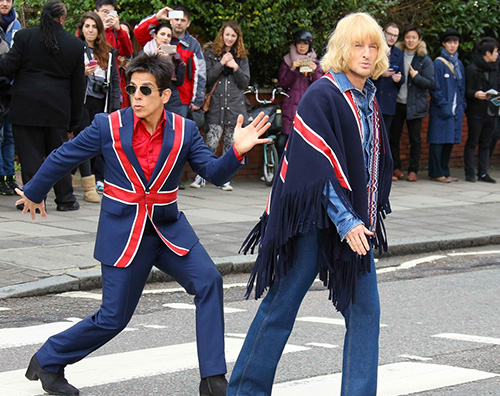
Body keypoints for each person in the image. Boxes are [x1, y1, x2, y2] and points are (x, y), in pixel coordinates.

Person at [16, 53, 270, 396]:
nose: (136, 95)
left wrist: (236, 152)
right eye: (132, 88)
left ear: (165, 95)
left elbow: (213, 173)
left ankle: (212, 379)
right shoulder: (108, 126)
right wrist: (34, 191)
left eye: (145, 90)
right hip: (124, 234)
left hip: (169, 232)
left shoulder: (185, 130)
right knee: (113, 318)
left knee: (208, 281)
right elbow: (66, 155)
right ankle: (48, 360)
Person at [227, 12, 393, 396]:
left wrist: (360, 216)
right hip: (311, 221)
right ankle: (244, 392)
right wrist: (347, 220)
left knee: (366, 314)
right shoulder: (323, 93)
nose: (366, 54)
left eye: (373, 46)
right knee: (281, 307)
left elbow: (368, 163)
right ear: (341, 48)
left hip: (353, 223)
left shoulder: (369, 97)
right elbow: (314, 167)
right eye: (357, 45)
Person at [0, 0, 85, 211]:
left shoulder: (25, 37)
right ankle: (65, 199)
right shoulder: (74, 45)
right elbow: (78, 86)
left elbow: (8, 66)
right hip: (58, 108)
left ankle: (34, 199)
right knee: (60, 155)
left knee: (30, 157)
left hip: (26, 106)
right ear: (62, 18)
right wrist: (74, 120)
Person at [191, 21, 250, 191]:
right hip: (216, 104)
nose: (229, 38)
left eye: (233, 35)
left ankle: (226, 179)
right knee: (211, 141)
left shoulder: (242, 56)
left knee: (230, 143)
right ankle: (201, 176)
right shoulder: (211, 53)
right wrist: (221, 63)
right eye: (227, 34)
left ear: (237, 38)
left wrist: (236, 67)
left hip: (234, 105)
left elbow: (245, 81)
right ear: (221, 35)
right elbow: (207, 78)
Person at [76, 12, 120, 201]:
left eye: (94, 27)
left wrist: (115, 106)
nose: (91, 30)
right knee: (84, 140)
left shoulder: (108, 52)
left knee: (101, 141)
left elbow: (115, 81)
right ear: (81, 29)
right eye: (87, 26)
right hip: (83, 101)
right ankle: (87, 185)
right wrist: (82, 73)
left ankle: (97, 178)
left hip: (102, 101)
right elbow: (68, 75)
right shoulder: (76, 48)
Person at [134, 5, 205, 118]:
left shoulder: (193, 44)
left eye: (183, 20)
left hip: (182, 98)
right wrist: (157, 17)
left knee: (176, 131)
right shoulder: (157, 41)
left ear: (188, 23)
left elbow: (200, 72)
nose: (179, 23)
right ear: (170, 20)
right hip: (153, 94)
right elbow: (138, 32)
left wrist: (198, 99)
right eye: (176, 19)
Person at [388, 25, 434, 182]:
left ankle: (413, 170)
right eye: (408, 37)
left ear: (419, 40)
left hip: (415, 105)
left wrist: (416, 77)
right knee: (394, 137)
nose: (410, 40)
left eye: (414, 37)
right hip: (397, 103)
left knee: (415, 139)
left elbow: (430, 83)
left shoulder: (424, 59)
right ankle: (396, 168)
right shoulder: (397, 55)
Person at [427, 28, 466, 183]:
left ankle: (445, 171)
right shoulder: (438, 63)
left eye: (455, 42)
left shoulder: (459, 64)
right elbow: (434, 88)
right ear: (444, 44)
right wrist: (443, 105)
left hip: (455, 109)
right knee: (438, 142)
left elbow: (461, 87)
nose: (452, 45)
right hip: (441, 109)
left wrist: (462, 105)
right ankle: (436, 172)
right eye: (449, 42)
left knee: (449, 141)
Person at [278, 29, 323, 159]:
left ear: (310, 45)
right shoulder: (287, 61)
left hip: (308, 108)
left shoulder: (315, 62)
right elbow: (283, 83)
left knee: (306, 142)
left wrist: (314, 71)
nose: (302, 46)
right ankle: (281, 172)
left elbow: (320, 86)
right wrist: (292, 69)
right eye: (299, 43)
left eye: (305, 43)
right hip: (290, 108)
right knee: (284, 142)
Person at [464, 37, 499, 183]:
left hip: (492, 111)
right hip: (476, 112)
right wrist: (475, 94)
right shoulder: (472, 69)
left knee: (486, 142)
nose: (497, 54)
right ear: (487, 53)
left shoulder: (496, 69)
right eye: (495, 51)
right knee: (473, 142)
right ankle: (470, 173)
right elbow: (466, 91)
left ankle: (483, 172)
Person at [133, 18, 186, 115]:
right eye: (162, 34)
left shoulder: (175, 56)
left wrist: (176, 62)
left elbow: (179, 82)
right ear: (155, 36)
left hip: (170, 99)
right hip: (148, 95)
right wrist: (156, 59)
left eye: (169, 36)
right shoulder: (145, 53)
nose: (165, 38)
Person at [373, 22, 404, 160]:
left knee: (385, 137)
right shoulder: (375, 49)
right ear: (384, 33)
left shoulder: (399, 53)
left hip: (389, 101)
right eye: (390, 34)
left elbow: (402, 78)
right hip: (375, 97)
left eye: (395, 36)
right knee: (373, 136)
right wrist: (380, 74)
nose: (392, 38)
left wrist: (398, 79)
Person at [0, 0, 21, 196]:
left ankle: (7, 177)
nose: (4, 3)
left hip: (12, 89)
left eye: (8, 0)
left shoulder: (16, 25)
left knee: (9, 135)